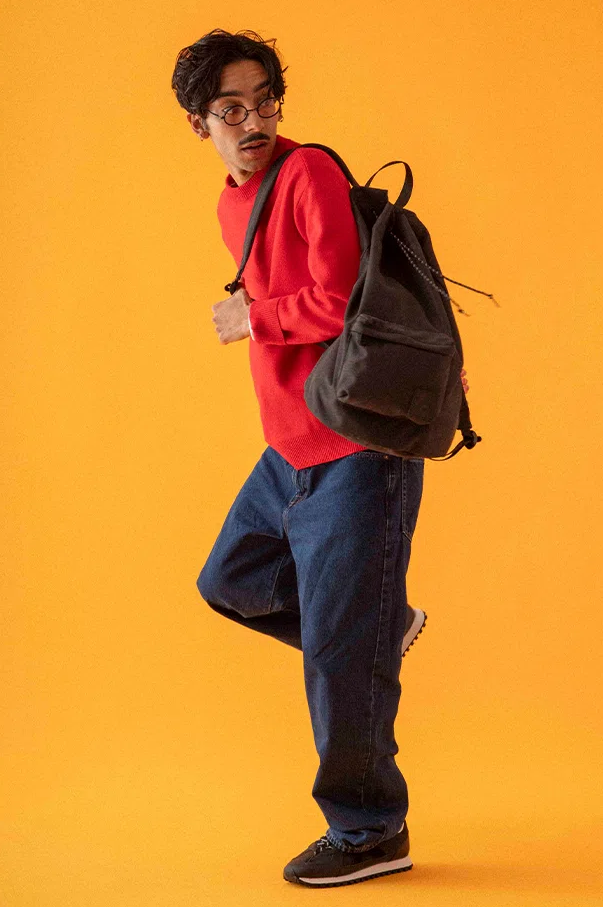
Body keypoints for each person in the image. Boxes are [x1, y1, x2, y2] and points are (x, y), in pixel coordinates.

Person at [171, 28, 469, 889]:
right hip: (290, 449)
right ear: (199, 124)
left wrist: (251, 318)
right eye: (232, 109)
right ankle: (374, 628)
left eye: (264, 102)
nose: (254, 121)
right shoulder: (233, 202)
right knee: (231, 579)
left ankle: (370, 827)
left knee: (339, 659)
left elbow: (339, 299)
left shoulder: (306, 175)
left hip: (357, 447)